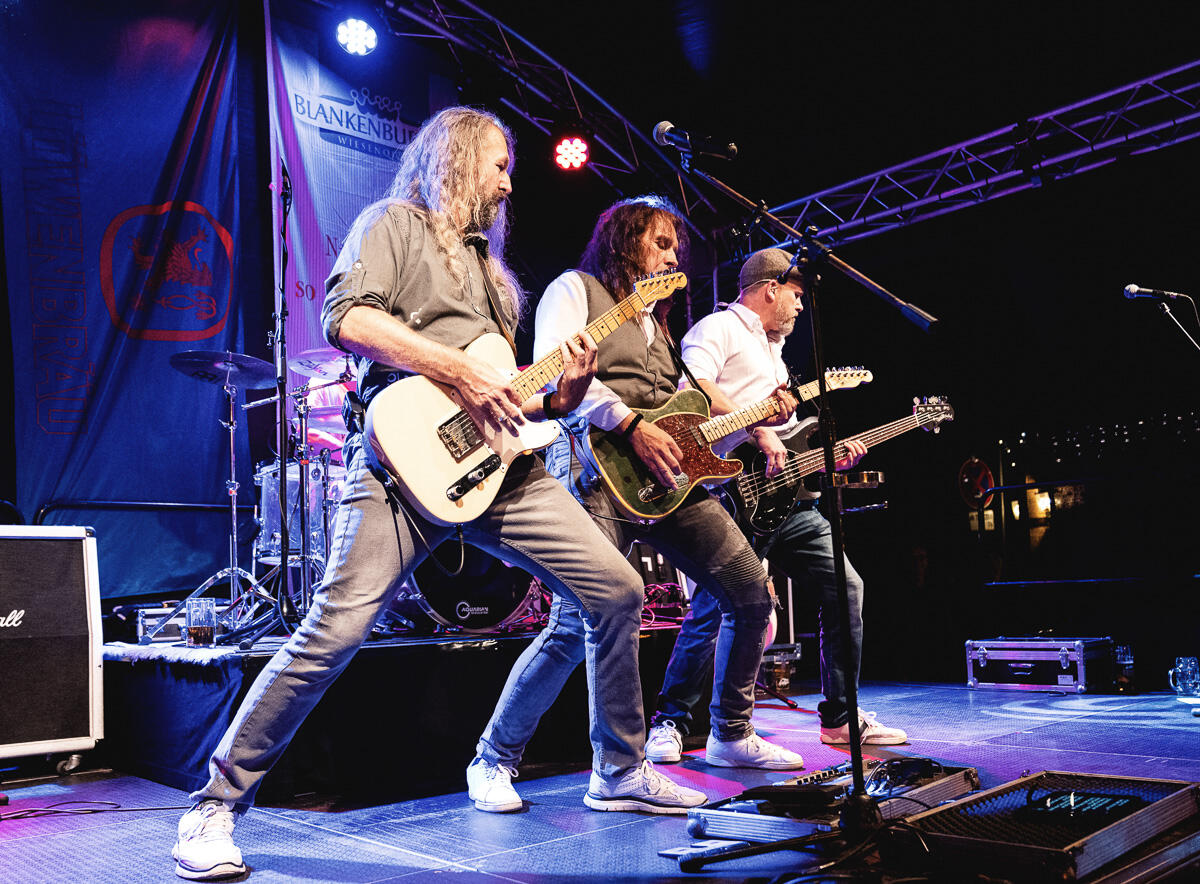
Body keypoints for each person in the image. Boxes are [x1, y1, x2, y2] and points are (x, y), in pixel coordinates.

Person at [171, 108, 701, 881]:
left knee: (617, 590)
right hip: (399, 461)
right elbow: (346, 317)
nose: (509, 183)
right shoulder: (392, 224)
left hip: (501, 469)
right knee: (335, 629)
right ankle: (214, 806)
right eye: (498, 165)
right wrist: (455, 371)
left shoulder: (496, 280)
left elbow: (512, 395)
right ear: (454, 158)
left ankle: (618, 771)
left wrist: (562, 396)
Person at [468, 197, 804, 809]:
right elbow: (555, 374)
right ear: (624, 240)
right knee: (575, 623)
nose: (673, 256)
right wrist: (629, 424)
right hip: (593, 463)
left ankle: (731, 733)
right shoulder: (575, 289)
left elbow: (684, 405)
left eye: (676, 247)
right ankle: (502, 759)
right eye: (661, 242)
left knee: (750, 590)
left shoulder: (659, 324)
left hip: (668, 476)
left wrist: (756, 422)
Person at [643, 248, 907, 767]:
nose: (801, 306)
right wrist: (758, 428)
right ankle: (671, 721)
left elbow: (786, 439)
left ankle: (840, 717)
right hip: (729, 494)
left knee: (846, 587)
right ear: (770, 288)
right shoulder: (718, 328)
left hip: (786, 500)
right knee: (715, 609)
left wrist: (826, 457)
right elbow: (694, 391)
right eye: (796, 294)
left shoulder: (773, 352)